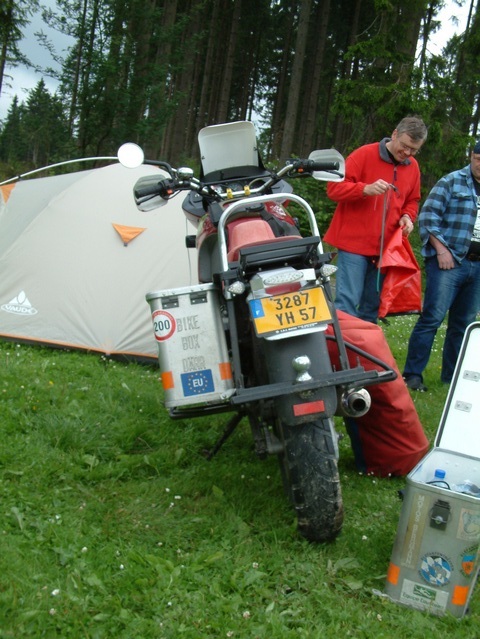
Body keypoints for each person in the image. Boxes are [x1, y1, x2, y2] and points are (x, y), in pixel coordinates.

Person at [324, 116, 428, 323]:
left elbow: (412, 200)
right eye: (405, 146)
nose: (407, 153)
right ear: (395, 134)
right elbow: (333, 189)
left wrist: (407, 217)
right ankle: (341, 343)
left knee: (371, 308)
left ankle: (364, 345)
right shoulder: (364, 154)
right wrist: (364, 189)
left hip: (386, 250)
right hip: (353, 245)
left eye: (414, 150)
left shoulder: (413, 167)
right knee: (347, 303)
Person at [403, 142, 480, 392]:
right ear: (471, 156)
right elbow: (428, 218)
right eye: (478, 159)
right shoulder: (451, 182)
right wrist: (441, 250)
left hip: (477, 266)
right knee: (432, 318)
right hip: (449, 261)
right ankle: (412, 376)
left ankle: (452, 379)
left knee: (464, 324)